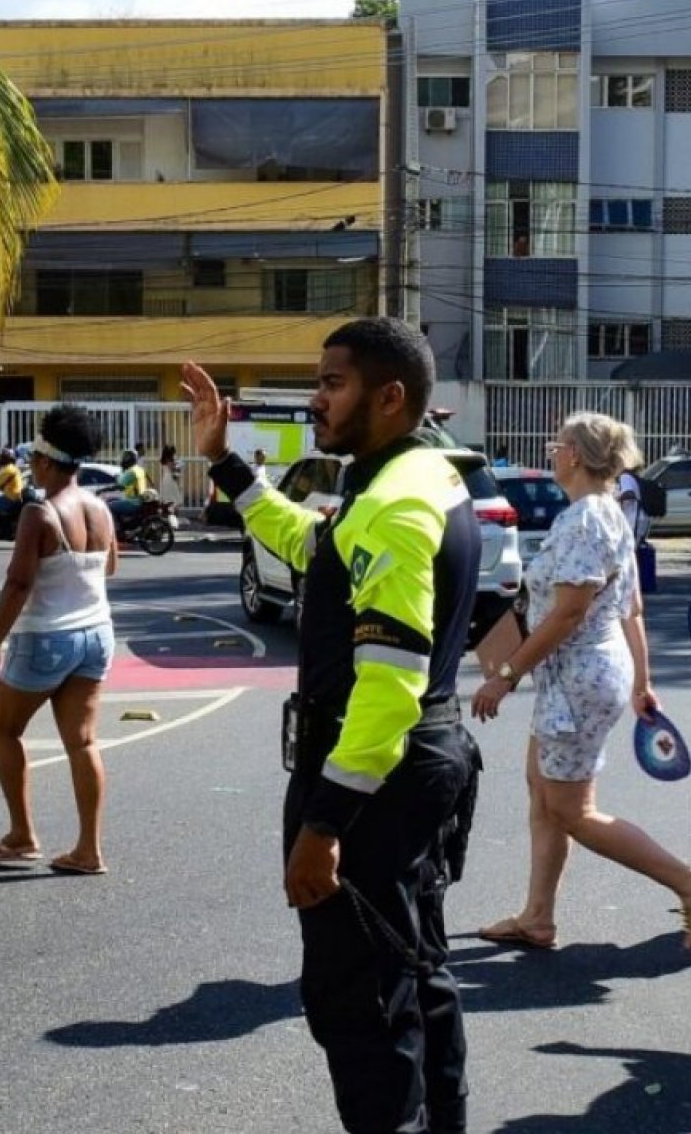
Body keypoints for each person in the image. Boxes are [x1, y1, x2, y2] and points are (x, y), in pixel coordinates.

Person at [182, 319, 483, 1134]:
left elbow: (388, 691)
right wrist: (223, 462)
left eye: (333, 383)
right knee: (417, 976)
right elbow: (311, 545)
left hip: (374, 776)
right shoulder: (410, 479)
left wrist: (323, 823)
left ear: (391, 397)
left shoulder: (394, 504)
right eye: (318, 380)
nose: (315, 399)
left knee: (360, 1002)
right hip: (416, 762)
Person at [471, 412, 691, 955]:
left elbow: (567, 614)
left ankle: (688, 883)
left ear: (576, 456)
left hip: (577, 680)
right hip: (590, 675)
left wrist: (506, 676)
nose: (550, 451)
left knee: (571, 810)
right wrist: (642, 680)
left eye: (555, 444)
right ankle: (537, 917)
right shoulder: (609, 515)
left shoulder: (584, 520)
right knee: (543, 791)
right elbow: (632, 608)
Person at [0, 406, 117, 876]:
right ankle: (88, 851)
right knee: (82, 742)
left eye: (35, 455)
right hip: (97, 634)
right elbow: (109, 567)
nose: (32, 463)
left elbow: (18, 584)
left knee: (3, 730)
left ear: (47, 462)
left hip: (46, 638)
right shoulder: (100, 508)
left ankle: (22, 835)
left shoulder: (40, 512)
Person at [109, 449, 149, 521]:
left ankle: (114, 529)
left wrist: (102, 490)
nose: (123, 460)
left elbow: (120, 484)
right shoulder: (139, 469)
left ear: (127, 459)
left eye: (124, 458)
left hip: (133, 502)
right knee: (116, 501)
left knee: (109, 506)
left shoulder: (131, 471)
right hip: (141, 500)